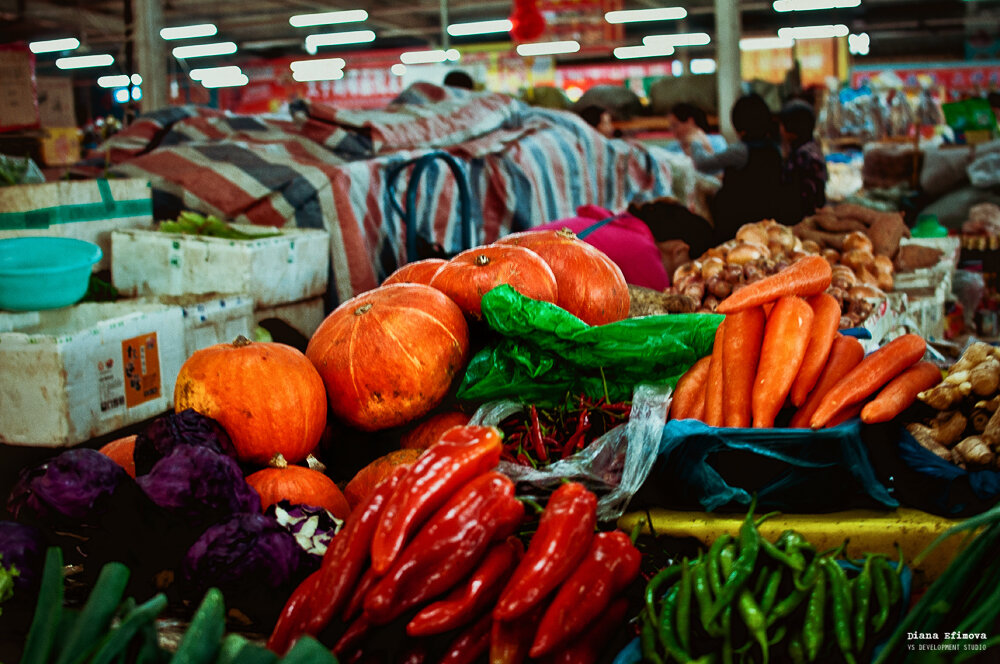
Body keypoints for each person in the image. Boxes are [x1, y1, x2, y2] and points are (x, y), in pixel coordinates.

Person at [529, 198, 714, 290]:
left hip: (509, 259)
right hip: (518, 281)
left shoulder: (623, 225)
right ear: (680, 251)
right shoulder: (645, 255)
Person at [703, 93, 784, 244]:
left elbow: (704, 164)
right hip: (766, 219)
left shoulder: (740, 150)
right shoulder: (774, 148)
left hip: (736, 224)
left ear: (738, 125)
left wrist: (694, 140)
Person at [777, 99, 828, 224]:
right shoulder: (811, 147)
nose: (780, 129)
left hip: (804, 220)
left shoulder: (803, 155)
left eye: (782, 124)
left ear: (791, 129)